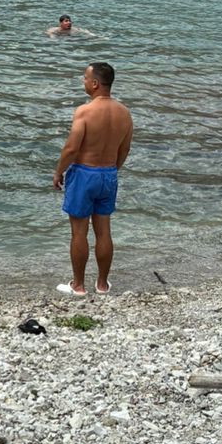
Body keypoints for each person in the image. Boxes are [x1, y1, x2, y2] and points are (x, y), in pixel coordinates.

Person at [52, 61, 133, 297]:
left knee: (79, 232)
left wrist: (58, 172)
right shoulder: (124, 113)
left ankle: (78, 286)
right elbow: (125, 149)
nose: (83, 81)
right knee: (103, 231)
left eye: (85, 78)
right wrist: (112, 170)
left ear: (95, 83)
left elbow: (71, 148)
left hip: (84, 174)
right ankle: (102, 284)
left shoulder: (85, 111)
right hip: (108, 174)